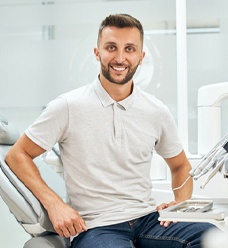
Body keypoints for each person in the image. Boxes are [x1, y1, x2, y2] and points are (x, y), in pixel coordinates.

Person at [6, 14, 214, 248]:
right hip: (96, 227)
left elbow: (180, 166)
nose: (120, 57)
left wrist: (179, 205)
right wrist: (55, 204)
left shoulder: (156, 110)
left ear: (141, 56)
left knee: (212, 238)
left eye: (130, 49)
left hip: (149, 220)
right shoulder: (67, 106)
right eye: (111, 47)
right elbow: (17, 155)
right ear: (97, 53)